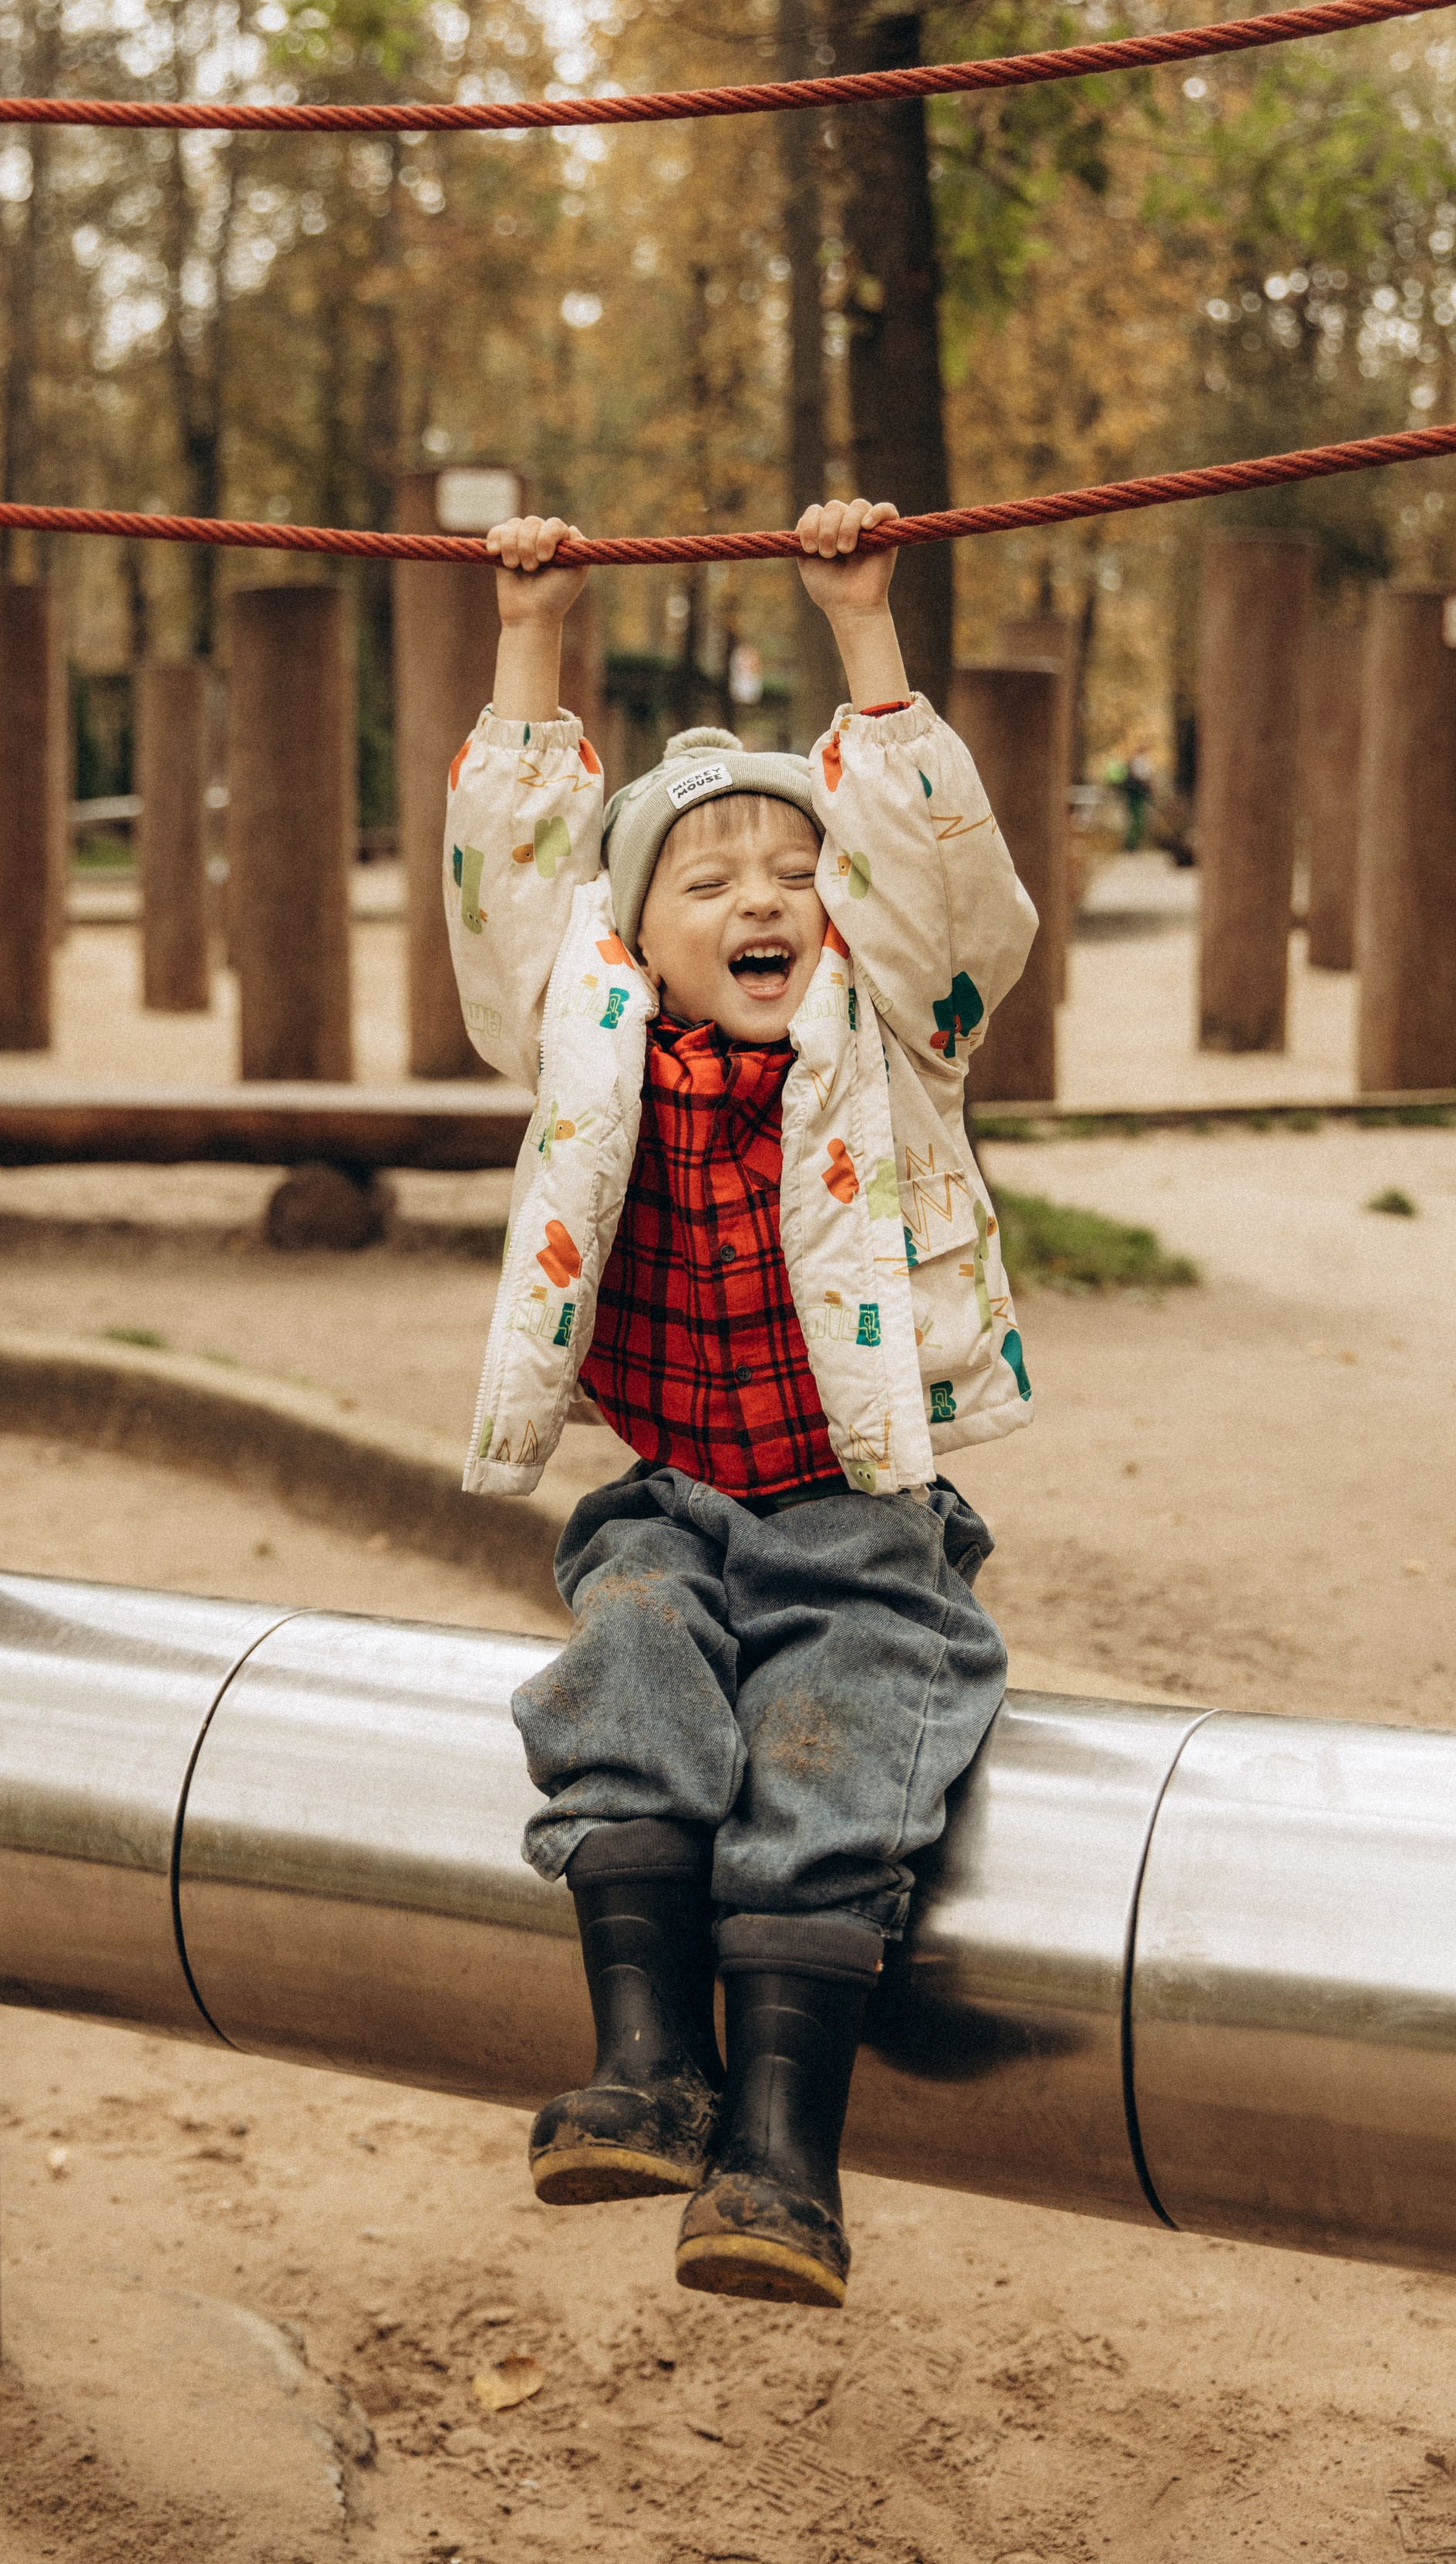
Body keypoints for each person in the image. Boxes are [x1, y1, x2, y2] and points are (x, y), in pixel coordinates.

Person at [445, 498, 1038, 2309]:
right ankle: (647, 2071)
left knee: (837, 1749)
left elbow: (941, 889)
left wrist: (861, 631)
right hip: (675, 1493)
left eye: (792, 872)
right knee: (619, 1660)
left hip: (856, 1512)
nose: (760, 901)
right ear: (631, 938)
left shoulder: (893, 1030)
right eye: (704, 886)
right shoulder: (582, 1036)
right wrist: (529, 639)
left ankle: (782, 2164)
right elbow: (508, 888)